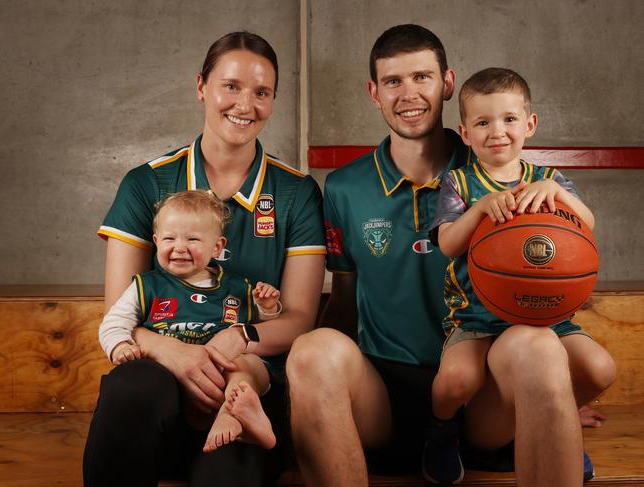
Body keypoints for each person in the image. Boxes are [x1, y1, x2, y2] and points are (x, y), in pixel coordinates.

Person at [286, 24, 613, 487]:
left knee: (539, 347)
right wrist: (306, 391)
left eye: (422, 77)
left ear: (447, 82)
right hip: (383, 392)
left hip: (481, 393)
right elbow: (343, 299)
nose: (409, 93)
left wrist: (552, 392)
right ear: (374, 92)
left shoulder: (496, 167)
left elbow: (553, 265)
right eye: (393, 81)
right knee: (313, 350)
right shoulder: (344, 187)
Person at [84, 31, 326, 487]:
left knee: (230, 464)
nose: (245, 104)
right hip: (159, 391)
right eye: (230, 86)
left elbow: (299, 319)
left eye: (261, 92)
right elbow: (120, 311)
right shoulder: (146, 183)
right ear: (202, 87)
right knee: (133, 385)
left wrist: (238, 339)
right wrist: (175, 352)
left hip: (245, 392)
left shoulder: (296, 193)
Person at [423, 67, 616, 485]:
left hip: (545, 313)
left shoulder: (549, 181)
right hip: (476, 318)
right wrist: (480, 209)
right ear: (465, 131)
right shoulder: (458, 183)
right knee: (455, 380)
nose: (498, 131)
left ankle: (559, 417)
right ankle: (440, 434)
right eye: (482, 122)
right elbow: (449, 243)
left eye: (509, 119)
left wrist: (561, 196)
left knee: (601, 369)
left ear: (529, 124)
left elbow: (588, 224)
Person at [99, 190, 284, 452]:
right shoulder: (147, 286)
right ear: (156, 241)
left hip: (224, 377)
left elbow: (262, 323)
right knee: (149, 376)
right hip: (175, 378)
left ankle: (236, 416)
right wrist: (120, 347)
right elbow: (113, 323)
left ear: (217, 247)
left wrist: (267, 306)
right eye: (169, 238)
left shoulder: (237, 287)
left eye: (193, 239)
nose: (179, 247)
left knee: (247, 363)